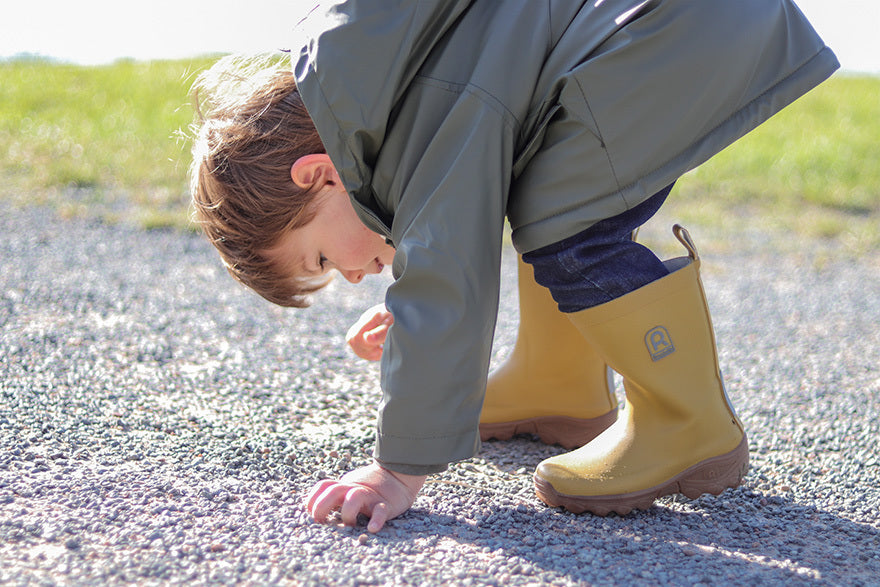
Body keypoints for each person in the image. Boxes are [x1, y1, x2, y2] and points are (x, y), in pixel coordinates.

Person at [189, 0, 838, 532]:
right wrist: (412, 320)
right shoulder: (377, 77)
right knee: (538, 181)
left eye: (325, 259)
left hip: (669, 30)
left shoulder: (418, 109)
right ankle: (556, 383)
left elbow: (448, 280)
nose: (353, 276)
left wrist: (396, 472)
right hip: (668, 25)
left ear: (318, 175)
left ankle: (688, 421)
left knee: (568, 219)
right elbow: (448, 241)